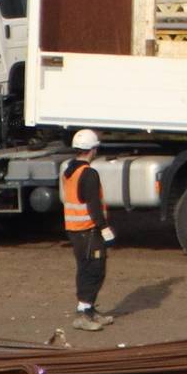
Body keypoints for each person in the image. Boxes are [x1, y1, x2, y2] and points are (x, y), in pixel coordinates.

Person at [60, 129, 117, 331]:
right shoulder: (89, 174)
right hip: (88, 230)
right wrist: (104, 228)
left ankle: (89, 310)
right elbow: (93, 205)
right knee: (93, 271)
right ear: (92, 150)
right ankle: (83, 313)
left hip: (75, 229)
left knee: (86, 269)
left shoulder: (69, 170)